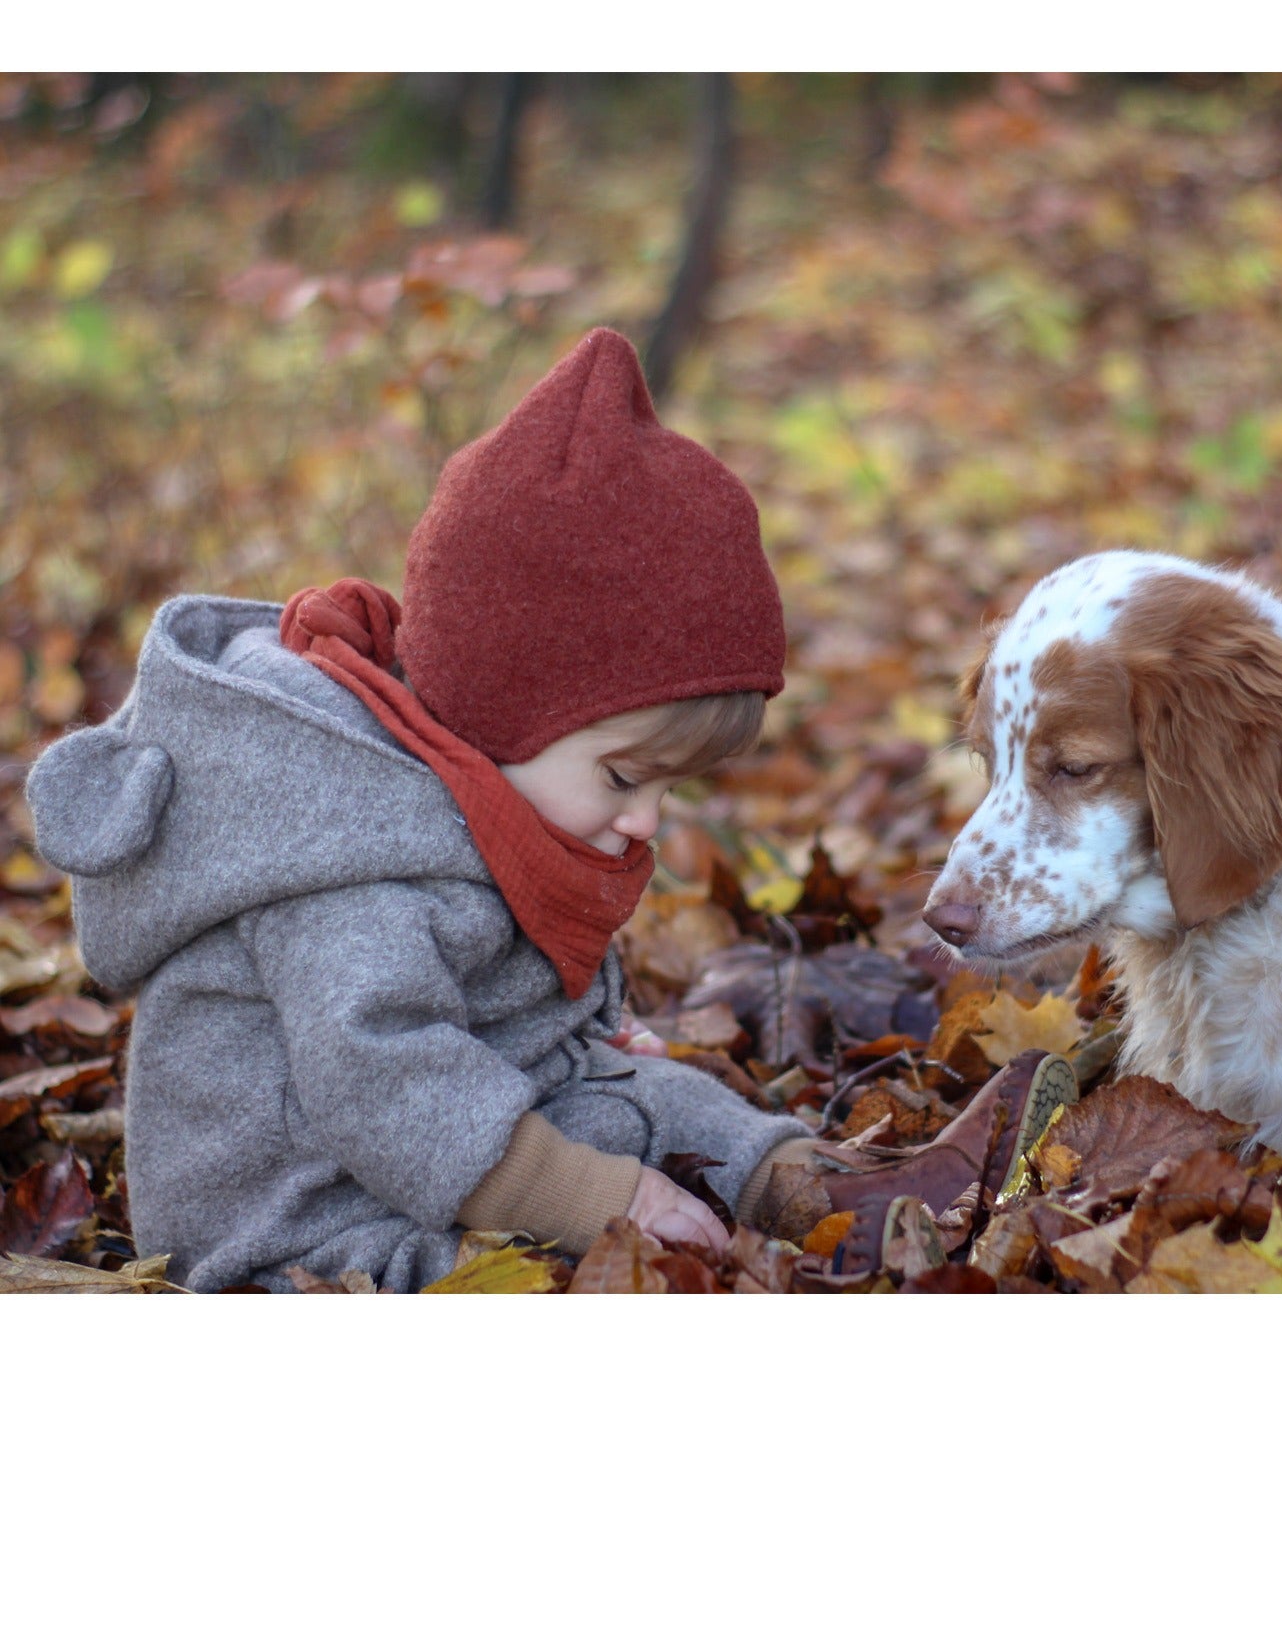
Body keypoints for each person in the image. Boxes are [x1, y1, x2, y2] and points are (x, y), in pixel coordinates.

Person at [25, 327, 815, 1291]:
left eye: (668, 789)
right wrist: (612, 1202)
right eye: (624, 777)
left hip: (465, 1129)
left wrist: (583, 1033)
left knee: (664, 1104)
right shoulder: (340, 852)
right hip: (303, 1215)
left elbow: (488, 970)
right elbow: (384, 1077)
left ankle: (817, 1191)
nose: (646, 821)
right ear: (503, 710)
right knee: (526, 1269)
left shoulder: (487, 789)